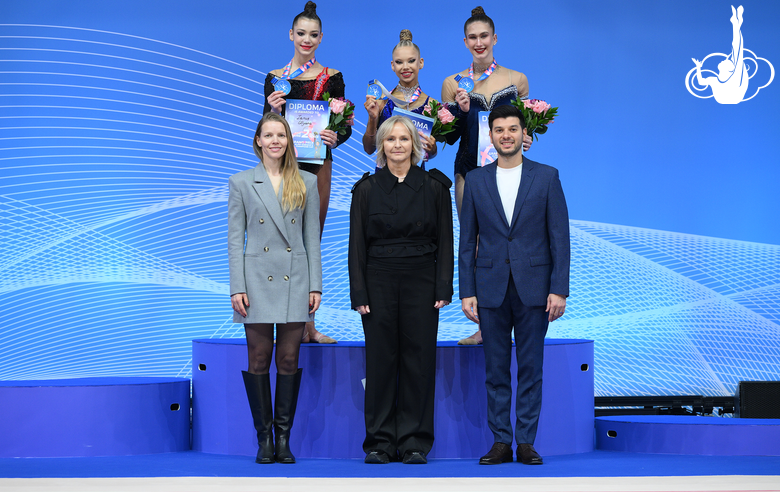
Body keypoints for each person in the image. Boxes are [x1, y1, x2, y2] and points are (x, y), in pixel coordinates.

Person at [458, 104, 569, 466]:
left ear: (524, 134)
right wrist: (467, 290)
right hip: (489, 287)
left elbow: (559, 238)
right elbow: (467, 240)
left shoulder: (547, 177)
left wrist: (559, 288)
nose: (506, 135)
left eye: (512, 129)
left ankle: (526, 443)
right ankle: (501, 442)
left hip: (535, 287)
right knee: (495, 370)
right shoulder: (476, 180)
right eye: (499, 130)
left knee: (531, 369)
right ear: (490, 136)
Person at [349, 115, 454, 465]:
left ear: (415, 145)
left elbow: (446, 241)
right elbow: (356, 246)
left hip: (422, 280)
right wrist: (359, 293)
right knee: (380, 362)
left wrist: (443, 286)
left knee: (418, 362)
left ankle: (414, 442)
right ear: (382, 145)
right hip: (378, 280)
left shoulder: (435, 187)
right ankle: (379, 442)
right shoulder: (365, 189)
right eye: (391, 139)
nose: (397, 145)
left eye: (404, 139)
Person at [228, 113, 322, 464]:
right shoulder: (241, 182)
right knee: (258, 358)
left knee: (288, 358)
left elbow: (311, 239)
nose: (274, 141)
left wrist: (315, 285)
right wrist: (236, 286)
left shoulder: (306, 181)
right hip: (255, 279)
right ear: (258, 141)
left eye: (280, 135)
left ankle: (283, 439)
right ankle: (264, 439)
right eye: (268, 135)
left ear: (288, 140)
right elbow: (234, 240)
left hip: (295, 278)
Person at [442, 5, 534, 346]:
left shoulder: (516, 79)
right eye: (472, 38)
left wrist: (527, 138)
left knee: (510, 242)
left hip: (510, 172)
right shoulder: (453, 83)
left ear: (495, 38)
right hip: (469, 171)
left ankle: (517, 321)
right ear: (465, 42)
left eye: (484, 36)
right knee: (477, 245)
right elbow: (449, 135)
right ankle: (486, 327)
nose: (479, 43)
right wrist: (460, 110)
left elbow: (525, 128)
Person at [264, 1, 349, 343]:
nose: (307, 40)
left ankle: (308, 325)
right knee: (279, 242)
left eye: (313, 35)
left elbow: (342, 127)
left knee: (310, 241)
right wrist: (270, 110)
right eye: (301, 33)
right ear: (291, 35)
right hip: (283, 168)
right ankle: (279, 321)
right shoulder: (275, 78)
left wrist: (336, 136)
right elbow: (266, 131)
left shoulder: (332, 78)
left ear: (321, 38)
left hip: (318, 166)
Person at [363, 29, 453, 165]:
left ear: (421, 63)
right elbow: (369, 149)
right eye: (399, 62)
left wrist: (433, 149)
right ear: (393, 66)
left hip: (417, 177)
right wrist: (372, 118)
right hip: (385, 176)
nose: (405, 67)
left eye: (411, 61)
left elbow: (429, 154)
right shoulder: (381, 104)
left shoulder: (433, 105)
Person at [692, 5, 748, 104]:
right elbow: (701, 82)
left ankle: (736, 23)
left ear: (728, 69)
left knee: (737, 50)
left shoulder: (732, 77)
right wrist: (698, 67)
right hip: (729, 96)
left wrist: (698, 67)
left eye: (726, 61)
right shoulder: (715, 80)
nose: (725, 59)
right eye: (727, 60)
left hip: (733, 95)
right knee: (737, 51)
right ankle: (736, 23)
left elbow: (737, 48)